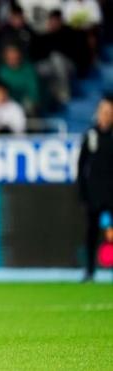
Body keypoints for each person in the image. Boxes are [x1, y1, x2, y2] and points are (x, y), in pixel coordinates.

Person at [77, 97, 113, 282]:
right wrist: (82, 194)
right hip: (94, 193)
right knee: (91, 233)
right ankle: (89, 270)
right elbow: (81, 165)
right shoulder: (91, 135)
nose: (105, 115)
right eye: (103, 111)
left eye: (108, 111)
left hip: (111, 192)